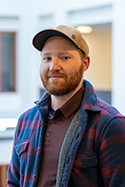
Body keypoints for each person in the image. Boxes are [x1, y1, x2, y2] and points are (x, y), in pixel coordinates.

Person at [7, 25, 125, 187]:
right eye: (47, 58)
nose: (54, 66)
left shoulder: (110, 124)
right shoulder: (26, 120)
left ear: (85, 63)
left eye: (65, 57)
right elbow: (13, 182)